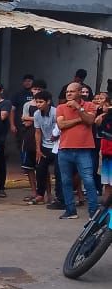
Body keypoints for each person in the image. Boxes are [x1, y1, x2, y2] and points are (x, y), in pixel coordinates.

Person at [56, 81, 100, 220]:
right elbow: (61, 124)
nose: (68, 93)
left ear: (80, 92)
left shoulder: (90, 106)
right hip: (65, 149)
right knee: (66, 181)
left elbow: (89, 121)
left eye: (72, 91)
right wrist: (78, 120)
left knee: (88, 181)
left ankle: (93, 213)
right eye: (67, 91)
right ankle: (70, 211)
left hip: (84, 150)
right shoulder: (61, 107)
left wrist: (78, 108)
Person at [32, 90, 63, 208]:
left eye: (41, 102)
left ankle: (59, 197)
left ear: (48, 102)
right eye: (37, 102)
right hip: (45, 146)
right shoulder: (36, 114)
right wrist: (38, 149)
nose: (38, 104)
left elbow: (61, 129)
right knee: (40, 169)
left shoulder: (56, 112)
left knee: (58, 172)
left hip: (57, 147)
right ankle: (40, 194)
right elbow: (37, 132)